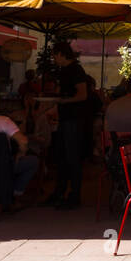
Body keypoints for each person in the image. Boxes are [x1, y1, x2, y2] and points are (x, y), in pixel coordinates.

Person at [44, 41, 89, 209]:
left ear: (62, 54)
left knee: (72, 158)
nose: (54, 59)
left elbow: (82, 95)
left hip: (74, 120)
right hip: (66, 119)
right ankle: (60, 192)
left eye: (55, 55)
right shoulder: (65, 71)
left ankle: (74, 194)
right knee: (62, 157)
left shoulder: (76, 70)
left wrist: (63, 101)